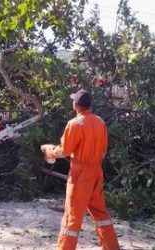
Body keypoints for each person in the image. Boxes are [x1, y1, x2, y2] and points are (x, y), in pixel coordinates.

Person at [41, 90, 120, 250]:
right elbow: (103, 151)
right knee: (101, 214)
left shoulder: (75, 124)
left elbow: (64, 151)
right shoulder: (100, 122)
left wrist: (50, 151)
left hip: (80, 175)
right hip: (96, 172)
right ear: (89, 104)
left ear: (75, 105)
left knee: (72, 217)